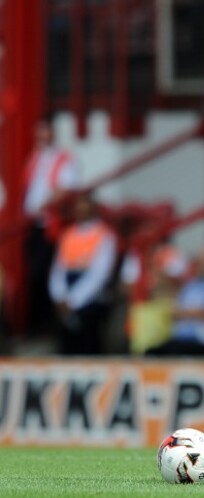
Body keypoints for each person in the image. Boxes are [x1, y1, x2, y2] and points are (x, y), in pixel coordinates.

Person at [23, 115, 81, 336]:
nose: (41, 135)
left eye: (45, 130)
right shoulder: (34, 158)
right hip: (33, 226)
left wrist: (44, 205)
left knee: (46, 274)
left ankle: (46, 325)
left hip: (52, 226)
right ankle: (35, 323)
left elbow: (66, 188)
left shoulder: (65, 159)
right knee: (33, 274)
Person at [48, 192, 117, 354]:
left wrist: (73, 300)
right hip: (68, 292)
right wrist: (60, 296)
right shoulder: (68, 234)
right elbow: (58, 268)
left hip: (89, 298)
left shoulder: (104, 235)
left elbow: (100, 274)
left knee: (88, 345)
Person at [145, 247, 204, 357]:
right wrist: (193, 313)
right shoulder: (192, 284)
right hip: (181, 339)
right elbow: (174, 313)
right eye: (201, 263)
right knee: (151, 353)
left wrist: (187, 313)